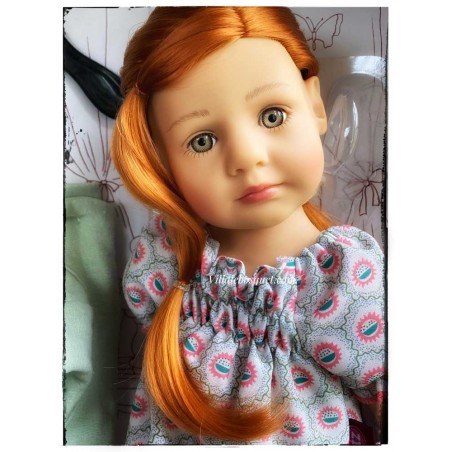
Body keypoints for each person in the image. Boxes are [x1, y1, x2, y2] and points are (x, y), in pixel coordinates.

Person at [111, 6, 385, 445]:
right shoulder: (168, 260)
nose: (247, 157)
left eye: (273, 115)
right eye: (202, 140)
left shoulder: (341, 278)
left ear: (314, 105)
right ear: (161, 159)